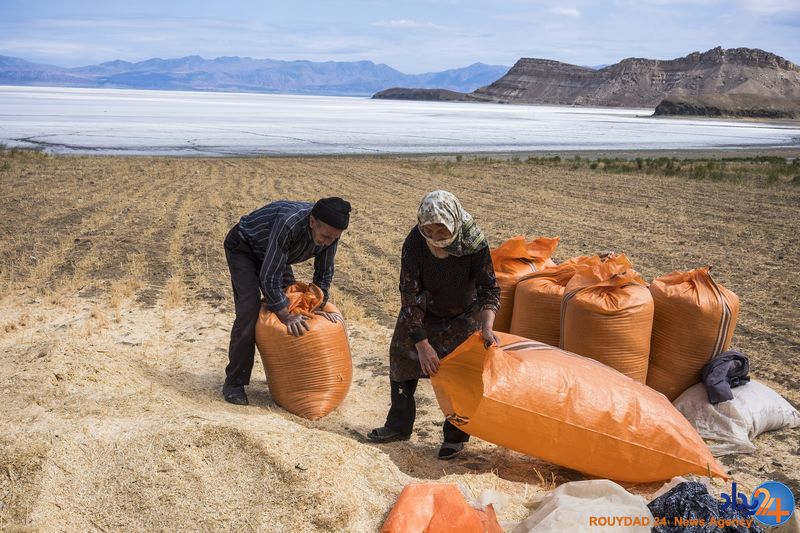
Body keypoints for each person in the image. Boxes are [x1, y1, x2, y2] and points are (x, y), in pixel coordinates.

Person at [367, 190, 500, 460]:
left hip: (463, 313)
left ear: (454, 222)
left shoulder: (475, 244)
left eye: (441, 229)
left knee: (461, 371)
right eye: (429, 229)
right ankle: (398, 426)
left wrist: (486, 327)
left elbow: (489, 290)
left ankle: (455, 437)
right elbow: (409, 295)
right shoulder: (415, 243)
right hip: (422, 310)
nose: (435, 237)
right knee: (402, 356)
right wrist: (422, 342)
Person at [222, 197, 351, 405]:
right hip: (244, 247)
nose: (328, 242)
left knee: (295, 303)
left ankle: (292, 382)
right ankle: (234, 382)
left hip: (273, 254)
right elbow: (269, 276)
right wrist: (284, 314)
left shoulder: (330, 235)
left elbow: (323, 274)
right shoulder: (289, 223)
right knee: (249, 311)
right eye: (325, 236)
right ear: (312, 222)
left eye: (333, 239)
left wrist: (315, 305)